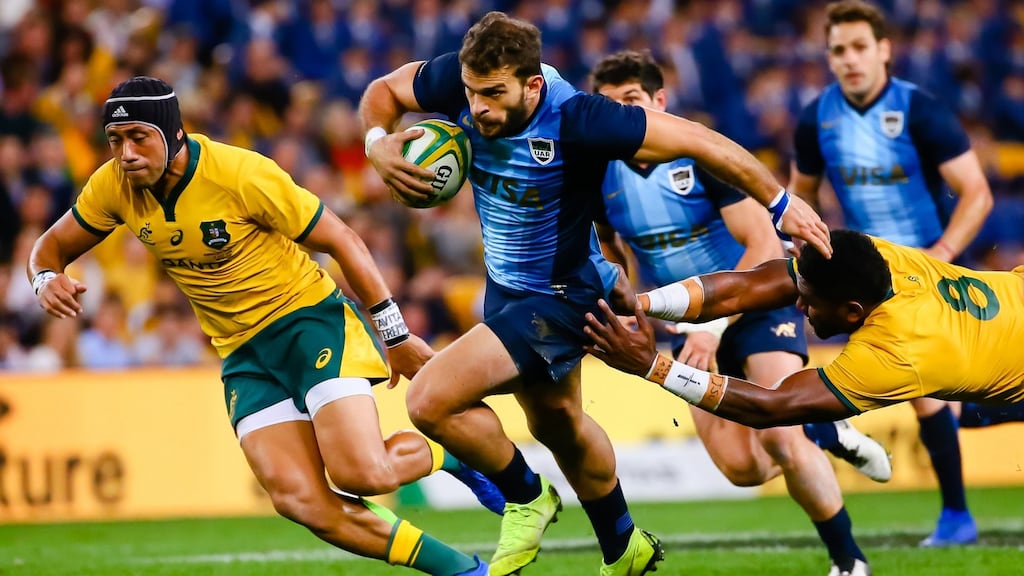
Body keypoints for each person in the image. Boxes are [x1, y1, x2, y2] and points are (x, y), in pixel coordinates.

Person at [358, 11, 831, 576]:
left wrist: (782, 205)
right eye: (470, 92)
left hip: (564, 294)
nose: (477, 107)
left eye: (492, 94)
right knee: (559, 425)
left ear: (532, 85)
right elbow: (383, 92)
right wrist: (377, 143)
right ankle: (623, 546)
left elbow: (700, 140)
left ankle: (525, 495)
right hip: (505, 289)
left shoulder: (579, 119)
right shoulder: (458, 80)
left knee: (428, 399)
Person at [28, 76, 503, 576]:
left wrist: (396, 335)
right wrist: (44, 279)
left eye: (138, 136)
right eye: (115, 140)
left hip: (308, 323)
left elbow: (342, 240)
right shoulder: (114, 186)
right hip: (242, 354)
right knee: (302, 502)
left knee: (362, 473)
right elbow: (49, 248)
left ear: (173, 134)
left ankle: (453, 457)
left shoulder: (239, 173)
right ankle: (464, 572)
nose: (124, 153)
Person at [590, 50, 885, 576]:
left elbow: (763, 245)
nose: (622, 117)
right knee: (741, 469)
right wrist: (627, 299)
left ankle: (849, 562)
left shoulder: (698, 155)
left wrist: (714, 322)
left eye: (631, 102)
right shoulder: (599, 175)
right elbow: (612, 250)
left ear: (659, 101)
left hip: (753, 307)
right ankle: (824, 431)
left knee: (778, 434)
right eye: (609, 106)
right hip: (685, 321)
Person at [789, 0, 1001, 547]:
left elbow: (976, 192)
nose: (850, 60)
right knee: (933, 397)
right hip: (871, 283)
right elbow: (800, 200)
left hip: (931, 272)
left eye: (860, 47)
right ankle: (957, 513)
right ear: (828, 57)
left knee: (937, 395)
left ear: (884, 50)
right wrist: (808, 265)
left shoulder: (919, 110)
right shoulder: (817, 119)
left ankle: (957, 513)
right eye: (838, 50)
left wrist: (943, 250)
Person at [583, 229, 1024, 436]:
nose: (799, 305)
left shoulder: (898, 352)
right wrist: (640, 303)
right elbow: (749, 288)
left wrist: (652, 365)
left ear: (853, 312)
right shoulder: (876, 258)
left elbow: (772, 407)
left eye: (810, 302)